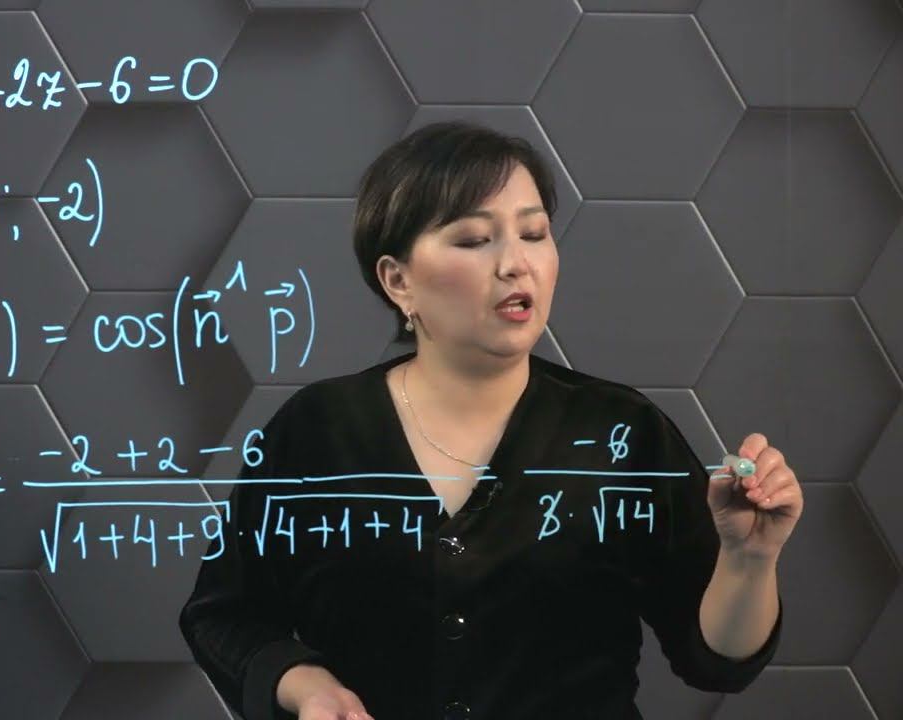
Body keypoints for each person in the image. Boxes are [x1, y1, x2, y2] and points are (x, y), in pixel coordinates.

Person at [179, 121, 801, 720]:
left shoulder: (623, 433)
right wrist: (303, 684)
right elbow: (223, 614)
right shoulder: (315, 430)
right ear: (398, 281)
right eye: (475, 240)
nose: (515, 263)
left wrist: (749, 559)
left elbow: (716, 662)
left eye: (533, 233)